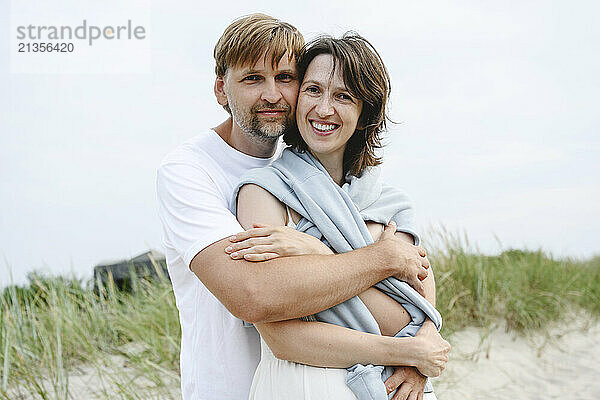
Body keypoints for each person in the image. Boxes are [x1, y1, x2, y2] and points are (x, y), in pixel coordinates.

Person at [156, 14, 448, 400]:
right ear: (220, 89)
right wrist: (379, 264)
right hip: (237, 387)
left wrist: (422, 347)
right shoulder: (194, 173)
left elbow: (415, 283)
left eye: (285, 78)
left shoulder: (322, 175)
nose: (273, 95)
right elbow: (255, 298)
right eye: (252, 78)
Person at [233, 33, 445, 400]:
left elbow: (412, 314)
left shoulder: (391, 204)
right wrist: (405, 352)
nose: (324, 108)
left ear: (366, 114)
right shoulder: (263, 191)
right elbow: (281, 334)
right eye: (313, 90)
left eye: (343, 96)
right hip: (301, 385)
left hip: (394, 388)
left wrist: (315, 253)